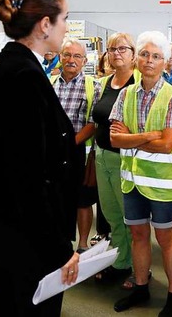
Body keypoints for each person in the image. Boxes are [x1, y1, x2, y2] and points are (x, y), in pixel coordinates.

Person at [0, 0, 80, 316]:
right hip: (23, 233)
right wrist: (60, 249)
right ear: (44, 25)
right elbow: (29, 176)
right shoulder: (23, 76)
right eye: (64, 19)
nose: (66, 27)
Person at [110, 31, 172, 317]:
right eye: (144, 54)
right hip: (132, 182)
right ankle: (141, 287)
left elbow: (167, 145)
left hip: (162, 184)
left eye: (156, 56)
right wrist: (147, 136)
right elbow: (115, 139)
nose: (149, 60)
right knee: (138, 235)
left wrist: (133, 136)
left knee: (167, 239)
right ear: (137, 58)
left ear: (165, 62)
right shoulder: (126, 93)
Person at [92, 33, 137, 288]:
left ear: (132, 53)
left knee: (129, 216)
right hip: (102, 156)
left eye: (122, 48)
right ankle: (120, 261)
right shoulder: (103, 83)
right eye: (112, 49)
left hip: (126, 159)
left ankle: (135, 266)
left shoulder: (139, 83)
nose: (117, 53)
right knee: (111, 214)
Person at [51, 38, 103, 253]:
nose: (71, 60)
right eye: (67, 55)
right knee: (56, 196)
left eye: (77, 56)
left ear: (84, 60)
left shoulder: (93, 86)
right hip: (52, 151)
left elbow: (94, 123)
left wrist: (70, 143)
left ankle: (82, 244)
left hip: (80, 150)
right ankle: (59, 240)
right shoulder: (49, 83)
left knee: (82, 200)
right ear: (60, 57)